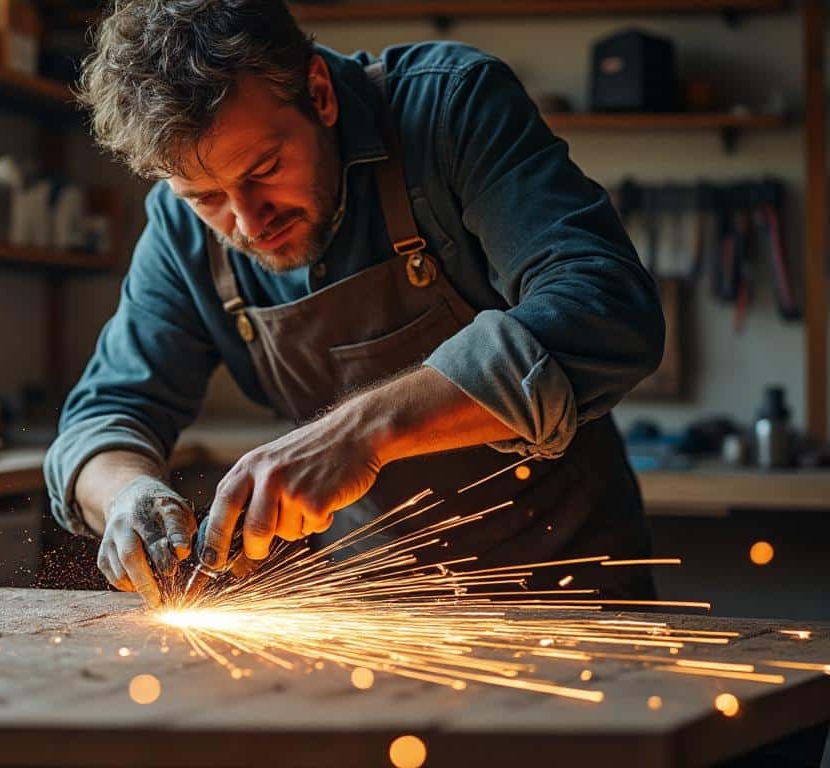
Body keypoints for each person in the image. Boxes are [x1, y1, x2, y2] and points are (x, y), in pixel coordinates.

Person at [44, 0, 665, 607]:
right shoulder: (182, 231)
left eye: (264, 169)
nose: (247, 220)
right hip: (379, 604)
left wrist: (360, 432)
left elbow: (604, 306)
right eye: (207, 197)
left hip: (571, 583)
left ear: (319, 93)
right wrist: (126, 493)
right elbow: (105, 416)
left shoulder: (451, 106)